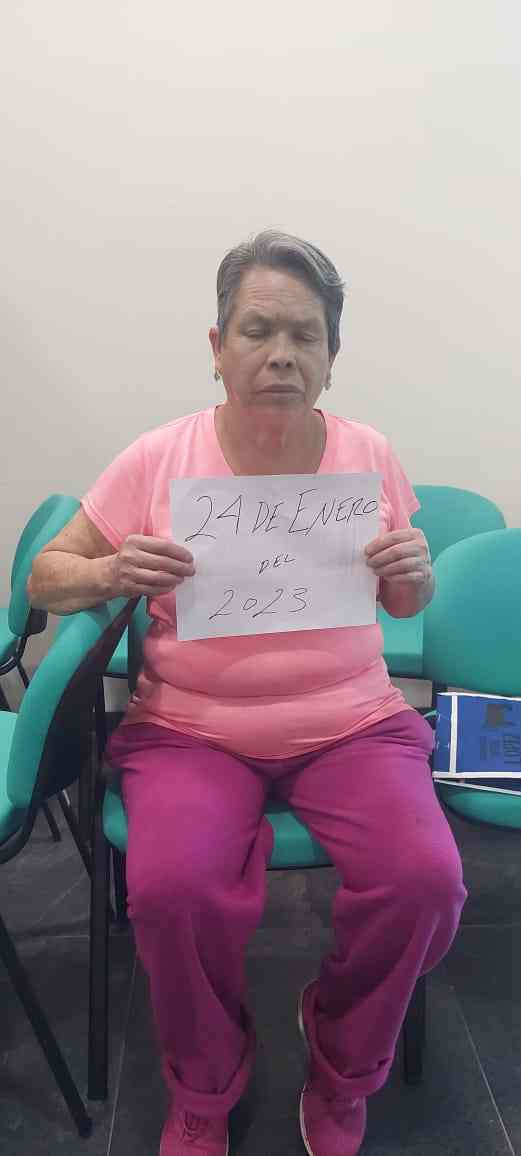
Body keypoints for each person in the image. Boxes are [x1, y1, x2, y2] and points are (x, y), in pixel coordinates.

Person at [29, 230, 468, 1156]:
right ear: (217, 345)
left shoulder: (366, 455)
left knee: (426, 882)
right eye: (257, 330)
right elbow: (44, 577)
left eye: (305, 336)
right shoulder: (159, 456)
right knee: (170, 890)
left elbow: (403, 602)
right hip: (191, 730)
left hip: (352, 722)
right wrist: (109, 570)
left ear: (331, 356)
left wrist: (416, 575)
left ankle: (342, 1061)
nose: (281, 355)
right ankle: (204, 1082)